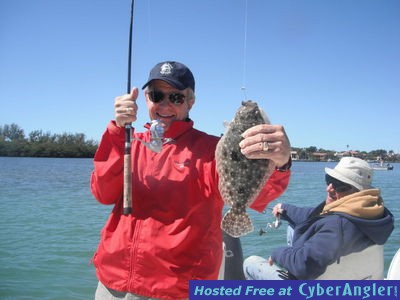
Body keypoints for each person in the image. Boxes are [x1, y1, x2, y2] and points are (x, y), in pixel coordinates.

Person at [90, 61, 292, 299]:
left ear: (191, 101)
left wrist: (281, 162)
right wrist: (117, 131)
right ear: (145, 98)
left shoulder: (211, 150)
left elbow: (259, 197)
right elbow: (103, 193)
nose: (165, 105)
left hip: (177, 290)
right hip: (113, 281)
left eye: (175, 97)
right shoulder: (129, 142)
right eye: (157, 95)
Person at [243, 156, 394, 280]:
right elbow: (315, 216)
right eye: (330, 180)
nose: (329, 188)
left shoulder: (337, 226)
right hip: (355, 277)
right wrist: (285, 210)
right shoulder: (375, 214)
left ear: (357, 192)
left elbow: (304, 265)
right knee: (293, 228)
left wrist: (277, 253)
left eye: (339, 185)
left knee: (250, 264)